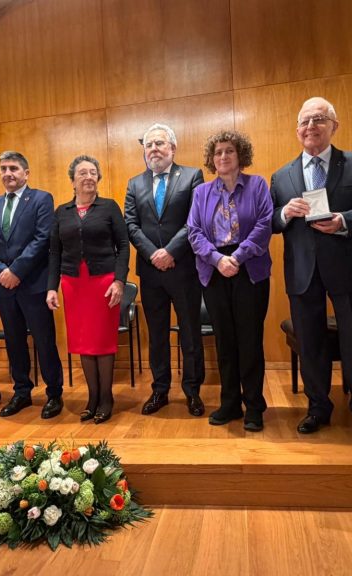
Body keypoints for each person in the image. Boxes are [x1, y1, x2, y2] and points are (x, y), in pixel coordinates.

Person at [270, 97, 352, 444]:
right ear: (297, 130)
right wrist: (284, 213)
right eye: (304, 121)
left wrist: (344, 220)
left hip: (346, 266)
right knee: (311, 344)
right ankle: (318, 407)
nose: (310, 127)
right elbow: (272, 223)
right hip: (302, 270)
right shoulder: (281, 175)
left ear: (333, 125)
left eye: (318, 119)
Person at [187, 131, 272, 432]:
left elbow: (265, 224)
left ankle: (254, 406)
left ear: (240, 156)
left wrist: (237, 257)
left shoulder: (258, 185)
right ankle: (229, 403)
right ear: (212, 159)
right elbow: (194, 232)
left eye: (230, 151)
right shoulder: (201, 194)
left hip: (249, 269)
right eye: (218, 152)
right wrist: (217, 259)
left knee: (249, 340)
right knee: (225, 340)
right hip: (214, 271)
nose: (223, 157)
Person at [124, 123, 206, 417]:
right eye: (149, 145)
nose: (154, 149)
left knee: (190, 333)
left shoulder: (193, 176)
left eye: (160, 143)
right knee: (157, 335)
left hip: (183, 268)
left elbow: (196, 219)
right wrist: (153, 254)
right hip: (150, 272)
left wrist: (170, 251)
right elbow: (131, 225)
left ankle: (193, 392)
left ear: (173, 148)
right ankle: (160, 391)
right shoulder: (135, 184)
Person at [0, 151, 64, 419]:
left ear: (26, 173)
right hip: (4, 287)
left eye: (13, 168)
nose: (8, 173)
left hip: (33, 283)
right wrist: (3, 272)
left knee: (44, 340)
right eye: (3, 168)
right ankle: (22, 392)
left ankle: (54, 393)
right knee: (14, 341)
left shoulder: (41, 199)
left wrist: (15, 270)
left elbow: (42, 239)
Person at [47, 155, 129, 424]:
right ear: (73, 181)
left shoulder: (109, 207)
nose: (88, 177)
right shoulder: (62, 212)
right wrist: (52, 288)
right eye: (82, 173)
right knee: (83, 341)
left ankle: (106, 397)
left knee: (103, 342)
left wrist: (119, 280)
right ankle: (92, 398)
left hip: (103, 283)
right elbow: (54, 253)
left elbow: (124, 246)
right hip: (73, 284)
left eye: (93, 172)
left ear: (98, 179)